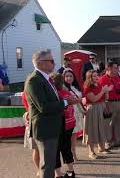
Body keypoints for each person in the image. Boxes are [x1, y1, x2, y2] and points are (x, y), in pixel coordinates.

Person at [24, 49, 79, 178]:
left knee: (50, 163)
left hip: (53, 127)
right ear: (42, 63)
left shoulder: (47, 79)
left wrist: (66, 101)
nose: (54, 63)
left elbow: (54, 100)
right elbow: (43, 106)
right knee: (48, 165)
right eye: (51, 61)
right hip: (45, 129)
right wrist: (66, 102)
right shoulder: (34, 80)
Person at [50, 73, 76, 178]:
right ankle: (71, 171)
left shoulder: (54, 95)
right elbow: (72, 108)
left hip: (59, 125)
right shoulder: (66, 93)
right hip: (70, 124)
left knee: (56, 150)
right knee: (66, 148)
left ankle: (58, 174)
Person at [83, 70, 112, 159]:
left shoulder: (99, 85)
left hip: (101, 108)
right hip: (93, 109)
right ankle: (91, 151)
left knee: (101, 128)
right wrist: (103, 91)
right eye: (94, 76)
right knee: (91, 130)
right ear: (89, 78)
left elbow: (106, 98)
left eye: (97, 76)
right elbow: (94, 99)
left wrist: (106, 91)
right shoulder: (87, 87)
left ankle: (101, 148)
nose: (96, 77)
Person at [99, 61, 120, 149]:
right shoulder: (103, 79)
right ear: (109, 68)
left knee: (118, 122)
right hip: (109, 103)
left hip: (119, 102)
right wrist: (104, 105)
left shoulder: (117, 77)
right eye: (115, 68)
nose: (117, 70)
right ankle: (108, 142)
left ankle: (117, 141)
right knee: (108, 124)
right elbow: (101, 93)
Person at [62, 68, 85, 161]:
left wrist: (83, 110)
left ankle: (73, 152)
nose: (69, 78)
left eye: (71, 76)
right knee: (68, 135)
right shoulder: (63, 88)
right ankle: (68, 154)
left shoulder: (75, 87)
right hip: (69, 113)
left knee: (74, 134)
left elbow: (80, 101)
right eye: (67, 76)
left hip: (77, 112)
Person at [22, 92, 40, 177]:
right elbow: (29, 108)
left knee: (45, 150)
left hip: (40, 120)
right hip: (33, 120)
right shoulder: (27, 92)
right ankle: (39, 169)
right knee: (36, 149)